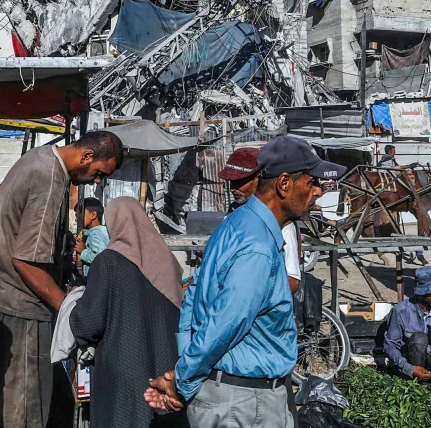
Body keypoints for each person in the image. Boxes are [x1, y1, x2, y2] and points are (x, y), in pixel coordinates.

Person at [145, 135, 344, 427]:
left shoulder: (236, 225)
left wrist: (182, 369)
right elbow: (226, 322)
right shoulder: (258, 246)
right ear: (284, 183)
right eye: (311, 182)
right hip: (246, 405)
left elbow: (194, 299)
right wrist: (183, 380)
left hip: (234, 397)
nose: (317, 191)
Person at [0, 131, 123, 428]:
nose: (96, 182)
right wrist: (70, 309)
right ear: (86, 156)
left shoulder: (39, 158)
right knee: (25, 411)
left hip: (1, 298)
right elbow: (26, 260)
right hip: (20, 307)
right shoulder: (49, 177)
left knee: (37, 402)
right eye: (98, 174)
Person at [71, 197, 187, 428]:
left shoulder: (108, 262)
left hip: (122, 382)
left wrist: (71, 307)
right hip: (167, 380)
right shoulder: (169, 262)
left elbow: (88, 323)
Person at [218, 147, 302, 293]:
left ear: (259, 180)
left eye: (239, 182)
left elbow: (292, 281)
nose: (232, 189)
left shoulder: (281, 224)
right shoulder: (232, 215)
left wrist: (250, 298)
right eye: (231, 183)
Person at [74, 197, 110, 277]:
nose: (77, 219)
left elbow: (99, 257)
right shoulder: (100, 231)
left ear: (93, 215)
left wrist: (83, 252)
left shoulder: (95, 233)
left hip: (96, 279)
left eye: (79, 215)